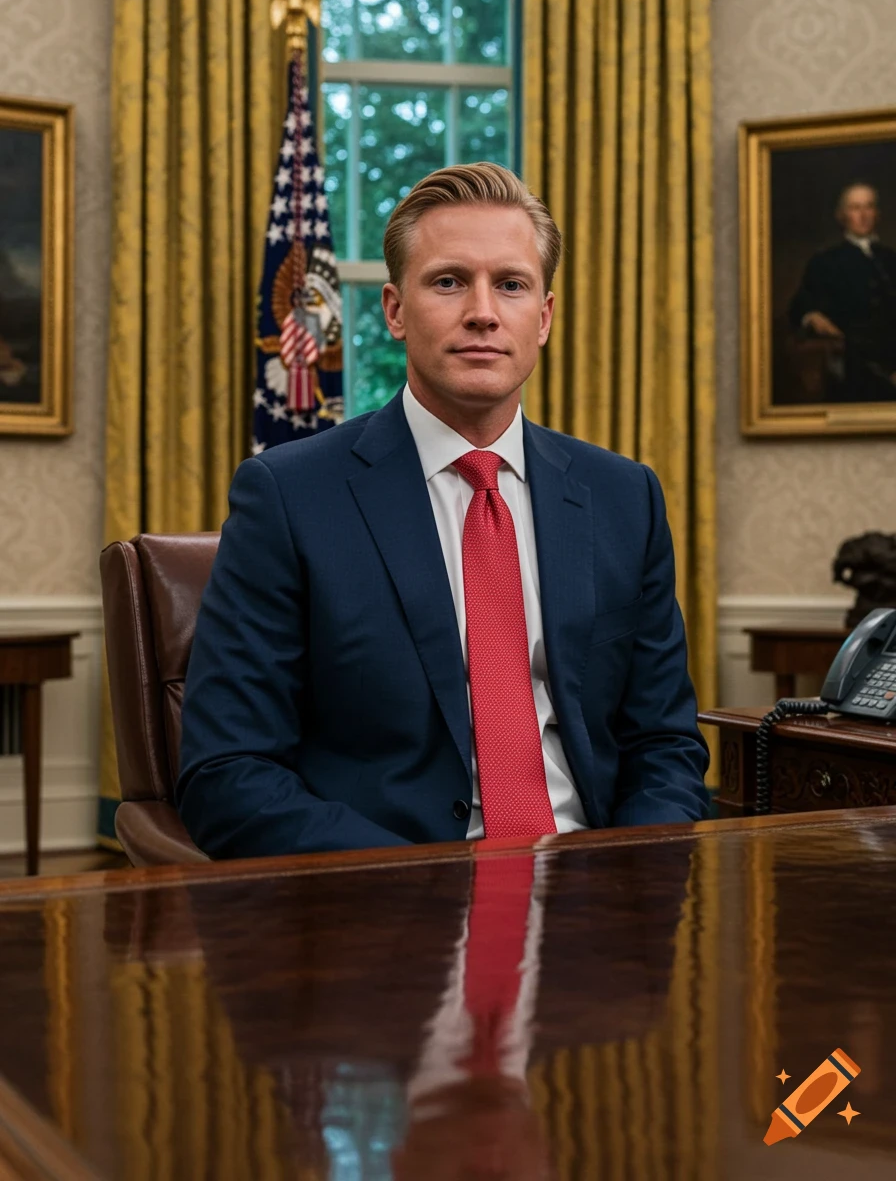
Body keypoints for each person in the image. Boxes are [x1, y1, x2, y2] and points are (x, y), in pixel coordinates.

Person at [176, 162, 709, 859]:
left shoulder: (623, 498)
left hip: (593, 904)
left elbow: (663, 745)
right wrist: (416, 885)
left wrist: (627, 879)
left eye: (511, 284)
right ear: (396, 310)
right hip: (387, 903)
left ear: (543, 318)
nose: (483, 311)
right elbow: (228, 774)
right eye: (450, 281)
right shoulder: (289, 497)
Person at [788, 181, 896, 402]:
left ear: (877, 214)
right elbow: (800, 304)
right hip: (855, 363)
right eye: (855, 208)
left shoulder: (892, 258)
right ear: (842, 216)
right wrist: (812, 316)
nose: (863, 215)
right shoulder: (825, 261)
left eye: (869, 207)